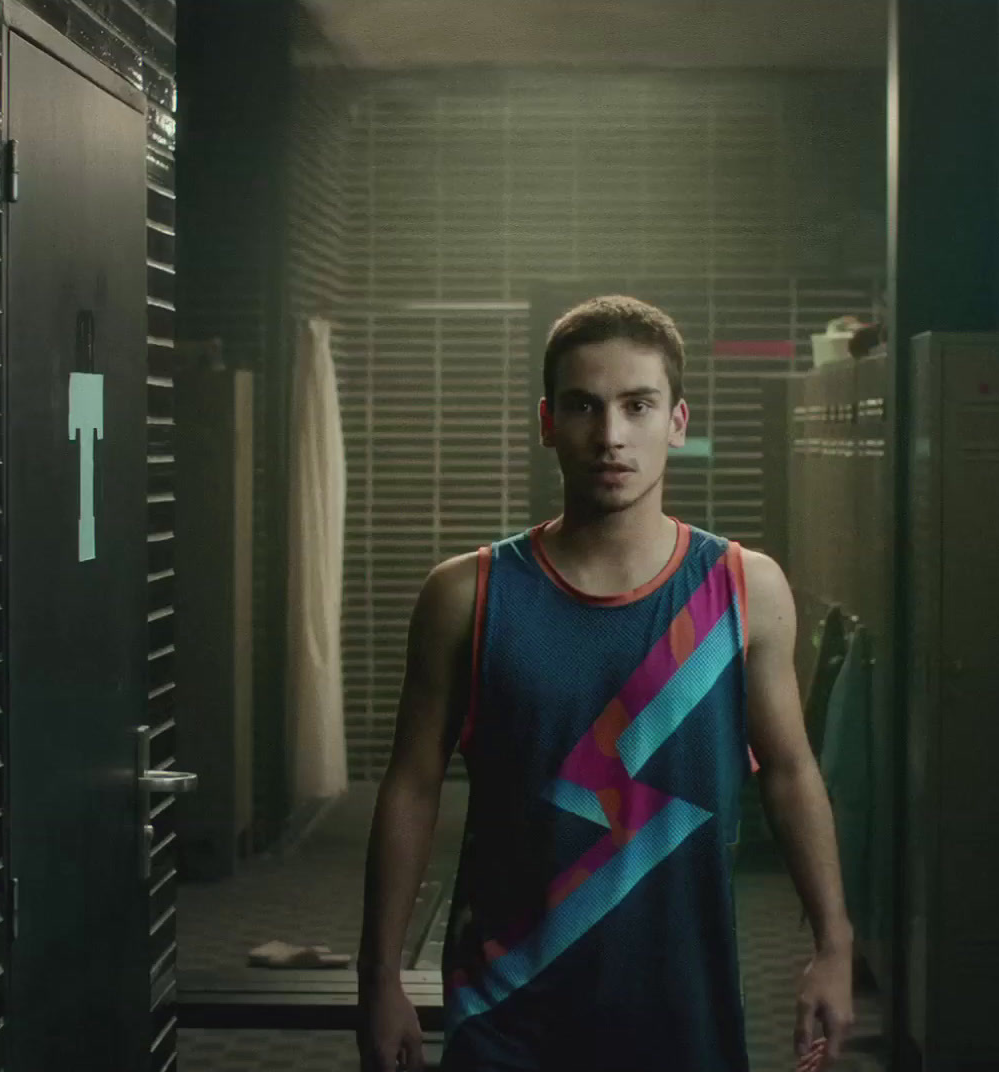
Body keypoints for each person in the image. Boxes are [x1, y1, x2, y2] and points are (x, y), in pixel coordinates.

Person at [356, 296, 854, 1072]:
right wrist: (378, 979)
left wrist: (834, 945)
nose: (612, 435)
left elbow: (790, 774)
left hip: (682, 1004)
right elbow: (412, 787)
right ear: (550, 422)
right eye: (586, 406)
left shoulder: (742, 588)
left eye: (638, 405)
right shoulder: (467, 596)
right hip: (508, 1005)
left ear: (677, 422)